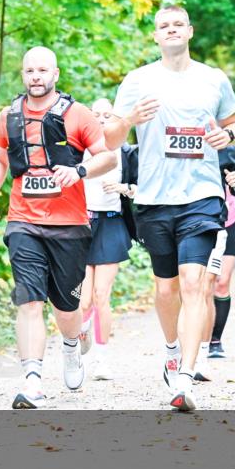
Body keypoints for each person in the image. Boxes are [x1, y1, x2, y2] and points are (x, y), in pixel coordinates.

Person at [104, 5, 235, 412]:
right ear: (155, 36)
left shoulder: (213, 78)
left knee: (195, 283)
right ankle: (170, 349)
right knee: (166, 289)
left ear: (190, 31)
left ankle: (185, 375)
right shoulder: (138, 80)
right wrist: (128, 119)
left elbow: (234, 124)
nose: (171, 30)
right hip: (154, 198)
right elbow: (110, 139)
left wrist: (228, 137)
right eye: (163, 25)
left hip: (202, 196)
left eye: (178, 24)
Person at [0, 47, 116, 409]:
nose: (35, 76)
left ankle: (71, 345)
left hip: (69, 225)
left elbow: (107, 157)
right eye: (29, 71)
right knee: (29, 299)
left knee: (66, 308)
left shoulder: (78, 114)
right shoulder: (9, 116)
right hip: (23, 220)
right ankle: (33, 380)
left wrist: (79, 171)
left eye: (42, 70)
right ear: (23, 75)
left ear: (55, 74)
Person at [78, 98, 136, 380]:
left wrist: (123, 187)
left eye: (107, 115)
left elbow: (142, 187)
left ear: (116, 120)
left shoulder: (125, 152)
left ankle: (101, 360)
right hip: (82, 225)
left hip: (112, 224)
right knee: (83, 301)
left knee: (102, 295)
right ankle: (82, 336)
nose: (101, 119)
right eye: (96, 114)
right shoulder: (78, 149)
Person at [207, 146, 235, 358]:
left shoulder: (233, 151)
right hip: (199, 221)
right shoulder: (187, 142)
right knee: (201, 284)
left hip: (229, 222)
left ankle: (215, 341)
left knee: (222, 282)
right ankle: (197, 338)